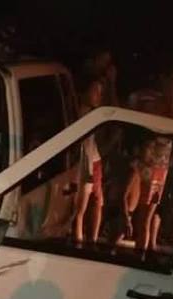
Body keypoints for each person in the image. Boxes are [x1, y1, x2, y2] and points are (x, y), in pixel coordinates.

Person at [74, 77, 106, 244]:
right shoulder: (83, 114)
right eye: (95, 91)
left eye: (100, 92)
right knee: (81, 208)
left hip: (94, 160)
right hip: (86, 163)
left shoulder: (93, 113)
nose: (98, 96)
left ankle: (91, 240)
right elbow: (84, 145)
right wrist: (87, 171)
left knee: (97, 201)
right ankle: (80, 242)